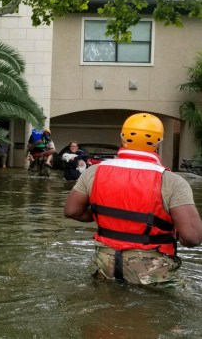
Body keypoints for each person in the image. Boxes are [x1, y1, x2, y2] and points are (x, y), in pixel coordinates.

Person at [64, 113, 202, 287]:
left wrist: (101, 213)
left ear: (123, 138)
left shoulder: (95, 171)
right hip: (151, 267)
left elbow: (71, 210)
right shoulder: (172, 181)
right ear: (158, 143)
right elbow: (193, 237)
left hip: (106, 262)